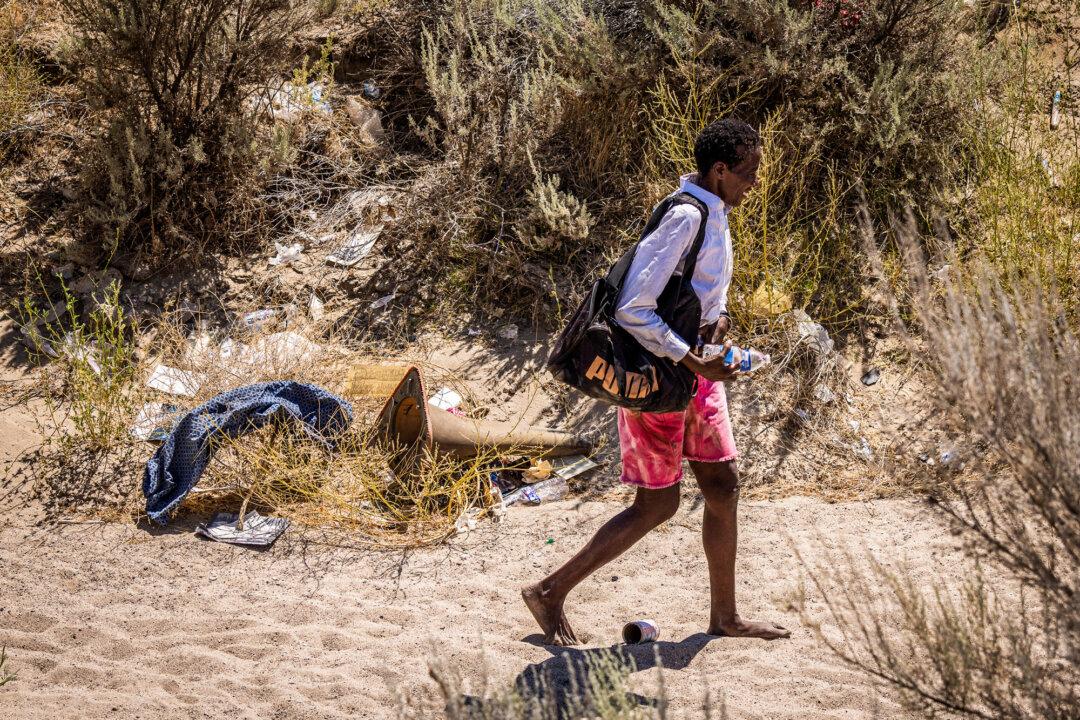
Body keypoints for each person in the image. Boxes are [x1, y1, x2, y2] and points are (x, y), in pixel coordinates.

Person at [522, 119, 791, 645]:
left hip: (696, 373)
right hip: (658, 381)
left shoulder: (714, 211)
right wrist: (692, 358)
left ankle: (725, 618)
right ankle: (550, 591)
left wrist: (718, 329)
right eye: (748, 172)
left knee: (722, 487)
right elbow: (633, 309)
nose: (754, 183)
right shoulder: (686, 217)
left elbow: (700, 290)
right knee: (657, 504)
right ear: (719, 170)